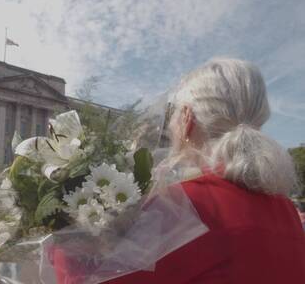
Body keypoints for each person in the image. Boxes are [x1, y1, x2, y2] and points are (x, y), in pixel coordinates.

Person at [105, 58, 305, 283]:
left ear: (187, 119)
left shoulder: (181, 207)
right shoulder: (286, 209)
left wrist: (65, 230)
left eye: (175, 114)